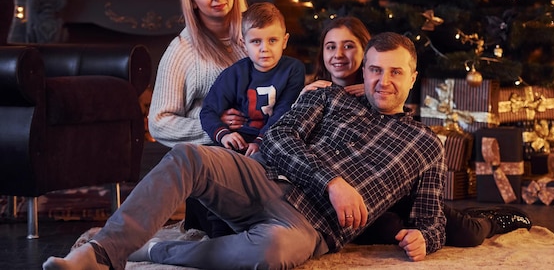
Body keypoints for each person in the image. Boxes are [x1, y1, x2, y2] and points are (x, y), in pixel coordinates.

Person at [42, 32, 446, 270]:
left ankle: (157, 249)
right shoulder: (330, 98)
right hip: (268, 183)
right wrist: (333, 182)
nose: (382, 80)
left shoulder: (426, 144)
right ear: (365, 71)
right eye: (375, 70)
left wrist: (425, 238)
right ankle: (100, 254)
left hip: (310, 228)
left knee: (272, 253)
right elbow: (277, 139)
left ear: (413, 77)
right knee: (189, 157)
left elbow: (433, 218)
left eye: (395, 71)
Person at [302, 16, 532, 247]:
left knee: (466, 234)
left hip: (394, 181)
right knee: (390, 228)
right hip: (344, 193)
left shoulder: (378, 90)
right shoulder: (316, 94)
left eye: (349, 46)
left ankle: (491, 219)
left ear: (365, 52)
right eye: (330, 46)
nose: (339, 54)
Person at [147, 0, 249, 147]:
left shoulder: (255, 37)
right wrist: (216, 128)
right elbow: (159, 123)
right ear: (192, 1)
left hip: (259, 145)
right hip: (212, 152)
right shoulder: (182, 51)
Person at [200, 1, 305, 157]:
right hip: (236, 140)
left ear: (284, 41)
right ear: (244, 44)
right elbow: (208, 111)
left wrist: (260, 141)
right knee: (194, 159)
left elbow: (284, 110)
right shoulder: (234, 74)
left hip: (272, 141)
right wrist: (224, 135)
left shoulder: (293, 70)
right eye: (256, 41)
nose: (264, 49)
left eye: (272, 40)